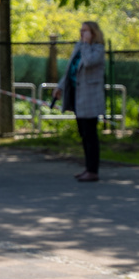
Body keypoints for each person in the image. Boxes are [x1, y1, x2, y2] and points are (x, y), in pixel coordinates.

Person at [53, 21, 106, 182]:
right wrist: (60, 87)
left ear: (94, 33)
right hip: (77, 96)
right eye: (81, 30)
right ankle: (87, 168)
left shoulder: (98, 49)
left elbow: (89, 62)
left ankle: (93, 170)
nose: (82, 33)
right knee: (83, 134)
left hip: (90, 97)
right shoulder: (79, 47)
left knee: (90, 134)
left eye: (86, 31)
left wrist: (86, 45)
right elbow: (70, 69)